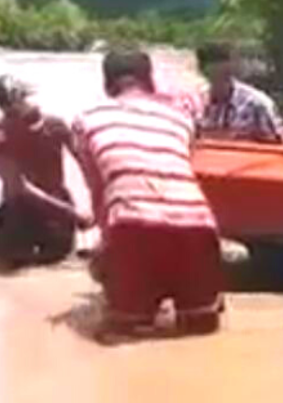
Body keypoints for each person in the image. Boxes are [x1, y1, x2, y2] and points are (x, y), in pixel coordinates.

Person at [72, 49, 224, 339]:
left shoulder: (87, 119)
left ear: (107, 84)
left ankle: (132, 311)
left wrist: (105, 255)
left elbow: (100, 193)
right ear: (150, 81)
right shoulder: (181, 118)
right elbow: (180, 172)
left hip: (133, 227)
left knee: (124, 332)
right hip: (197, 226)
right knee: (200, 330)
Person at [0, 76, 94, 269]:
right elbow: (19, 186)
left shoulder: (55, 125)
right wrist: (72, 214)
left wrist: (97, 202)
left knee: (58, 262)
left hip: (56, 209)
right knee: (6, 264)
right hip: (18, 209)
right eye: (13, 112)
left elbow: (88, 164)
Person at [195, 42, 283, 143]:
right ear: (202, 70)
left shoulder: (256, 105)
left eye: (224, 73)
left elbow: (275, 144)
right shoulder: (195, 105)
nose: (219, 73)